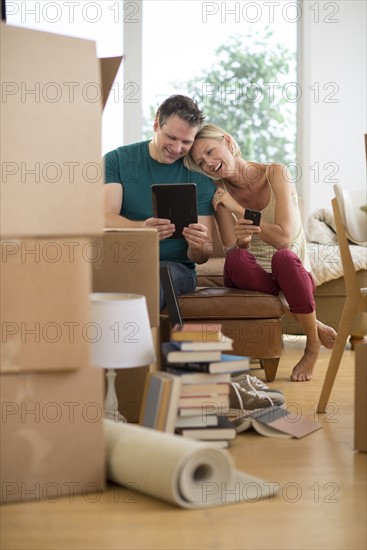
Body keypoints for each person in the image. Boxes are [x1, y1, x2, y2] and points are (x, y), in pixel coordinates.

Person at [184, 123, 337, 382]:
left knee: (285, 257)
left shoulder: (276, 173)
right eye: (201, 162)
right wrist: (243, 242)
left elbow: (283, 237)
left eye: (210, 152)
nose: (208, 163)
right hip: (253, 276)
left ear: (228, 142)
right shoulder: (219, 196)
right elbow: (234, 248)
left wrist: (238, 209)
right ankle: (316, 325)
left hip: (290, 270)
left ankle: (312, 345)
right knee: (236, 259)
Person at [103, 95, 218, 310]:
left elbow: (202, 255)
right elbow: (104, 218)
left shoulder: (199, 177)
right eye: (171, 138)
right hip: (124, 263)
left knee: (151, 282)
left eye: (186, 142)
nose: (177, 148)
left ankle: (139, 343)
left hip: (176, 268)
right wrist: (141, 229)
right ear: (156, 124)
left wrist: (198, 245)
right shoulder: (117, 160)